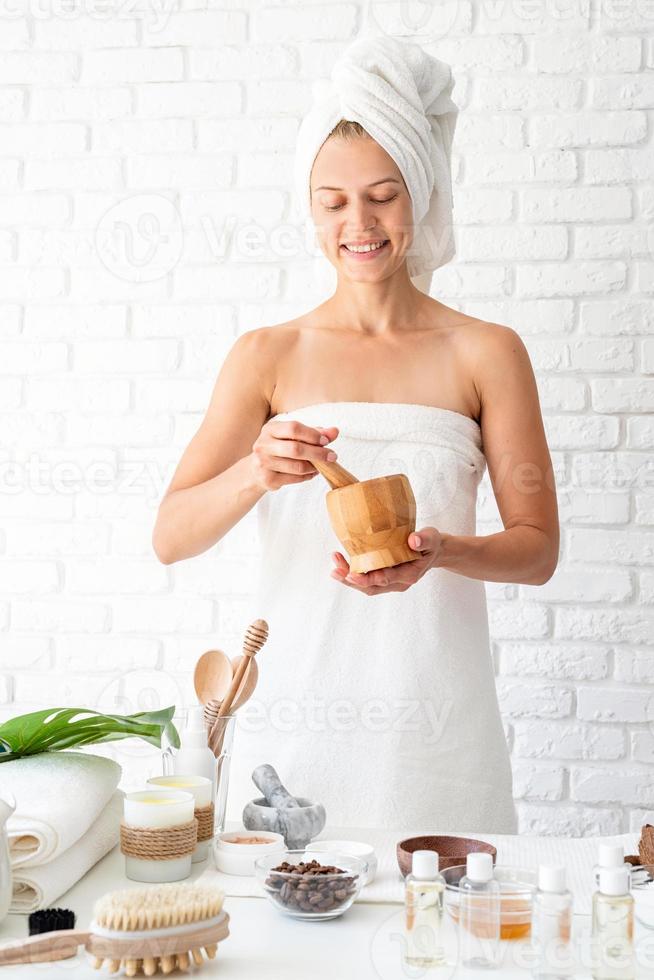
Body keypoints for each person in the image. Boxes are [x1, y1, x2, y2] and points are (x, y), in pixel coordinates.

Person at [152, 37, 559, 833]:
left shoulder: (487, 352)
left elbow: (537, 549)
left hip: (438, 725)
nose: (359, 223)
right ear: (310, 208)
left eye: (384, 195)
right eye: (333, 201)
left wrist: (444, 552)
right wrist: (255, 474)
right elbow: (171, 537)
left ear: (424, 196)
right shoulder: (267, 356)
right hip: (296, 724)